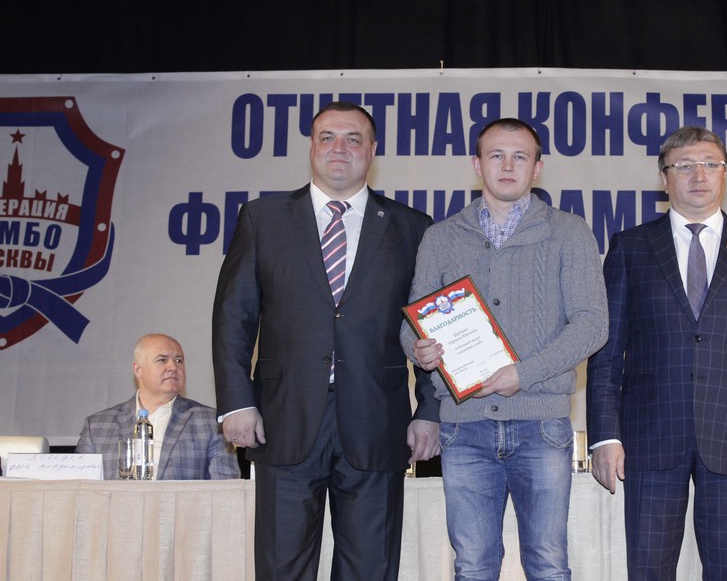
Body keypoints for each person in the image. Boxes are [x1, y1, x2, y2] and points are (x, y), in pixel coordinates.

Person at [212, 101, 440, 581]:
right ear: (311, 148)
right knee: (281, 569)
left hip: (377, 422)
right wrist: (236, 403)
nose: (340, 148)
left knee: (370, 570)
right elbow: (234, 317)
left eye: (354, 139)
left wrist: (429, 410)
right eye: (328, 137)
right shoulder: (262, 218)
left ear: (372, 151)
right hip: (282, 419)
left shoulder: (413, 228)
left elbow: (429, 327)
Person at [586, 126, 727, 580]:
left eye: (709, 164)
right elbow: (606, 355)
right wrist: (604, 437)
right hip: (648, 439)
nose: (698, 175)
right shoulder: (630, 248)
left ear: (724, 173)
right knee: (648, 571)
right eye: (684, 166)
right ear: (663, 178)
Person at [404, 117, 608, 580]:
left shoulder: (569, 232)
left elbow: (593, 324)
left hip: (542, 424)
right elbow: (413, 322)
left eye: (521, 156)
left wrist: (524, 372)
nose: (508, 166)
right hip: (464, 428)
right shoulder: (441, 236)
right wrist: (420, 350)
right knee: (472, 566)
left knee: (548, 565)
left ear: (538, 168)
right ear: (478, 165)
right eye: (497, 155)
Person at [76, 333, 239, 480]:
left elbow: (226, 490)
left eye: (179, 360)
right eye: (162, 360)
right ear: (138, 370)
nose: (173, 367)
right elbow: (81, 491)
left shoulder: (210, 422)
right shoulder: (97, 427)